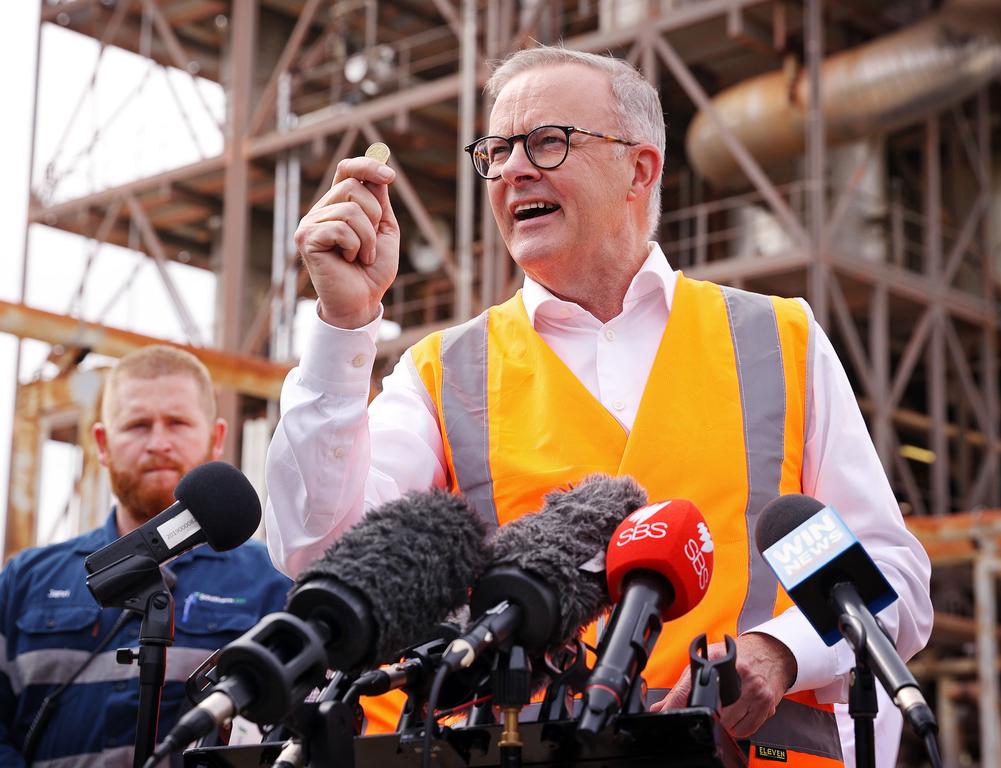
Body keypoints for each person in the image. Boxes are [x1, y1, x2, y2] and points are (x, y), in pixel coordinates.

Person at [264, 46, 932, 767]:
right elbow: (316, 552)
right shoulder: (443, 371)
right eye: (496, 150)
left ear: (640, 169)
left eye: (547, 142)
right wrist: (344, 327)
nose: (514, 169)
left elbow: (892, 577)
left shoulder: (780, 338)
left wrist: (782, 652)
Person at [0, 346, 292, 766]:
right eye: (138, 425)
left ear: (216, 438)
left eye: (177, 423)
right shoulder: (25, 580)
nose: (158, 442)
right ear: (102, 443)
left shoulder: (273, 581)